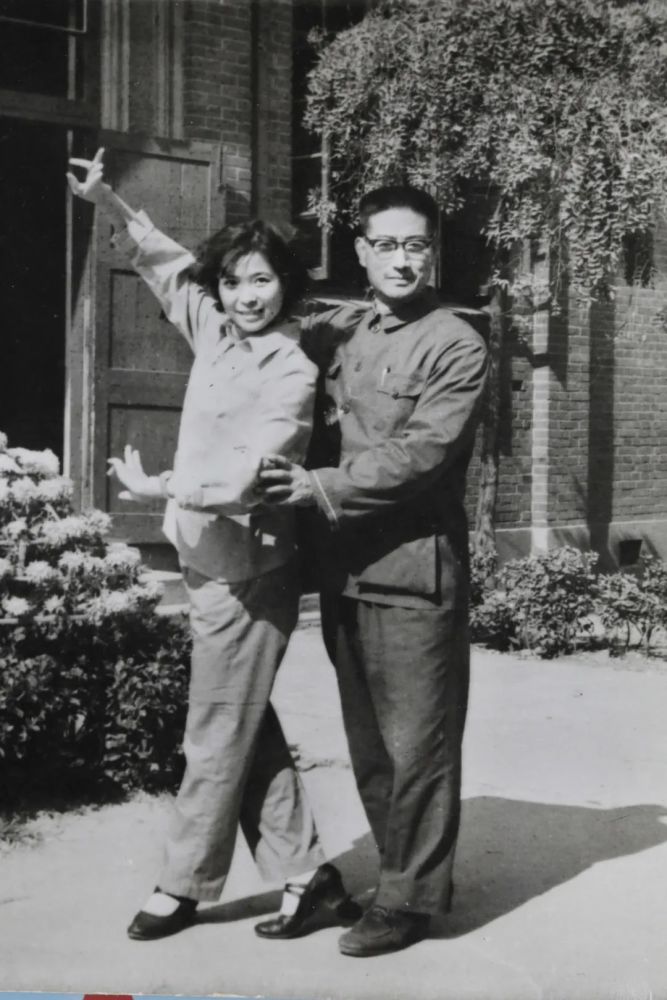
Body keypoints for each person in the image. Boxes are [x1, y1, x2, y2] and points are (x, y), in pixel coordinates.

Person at [66, 149, 360, 942]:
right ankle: (307, 873)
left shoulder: (291, 369)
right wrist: (108, 201)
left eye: (260, 280)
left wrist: (166, 488)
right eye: (232, 282)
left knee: (215, 729)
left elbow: (256, 473)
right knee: (241, 720)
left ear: (285, 285)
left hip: (250, 571)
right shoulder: (217, 333)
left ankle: (181, 885)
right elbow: (167, 266)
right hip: (203, 561)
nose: (244, 295)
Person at [257, 185, 488, 957]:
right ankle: (399, 876)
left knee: (418, 747)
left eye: (414, 245)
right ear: (360, 252)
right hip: (345, 571)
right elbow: (251, 308)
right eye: (385, 245)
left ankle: (406, 902)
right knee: (370, 746)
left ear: (432, 252)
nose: (400, 259)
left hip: (414, 573)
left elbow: (422, 452)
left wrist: (318, 487)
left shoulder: (455, 343)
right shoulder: (346, 328)